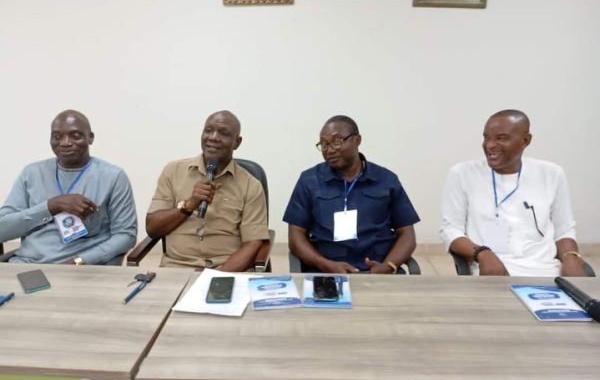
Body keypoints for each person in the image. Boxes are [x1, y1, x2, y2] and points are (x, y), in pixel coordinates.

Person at [440, 109, 586, 277]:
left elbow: (564, 230)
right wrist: (483, 254)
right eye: (486, 137)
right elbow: (450, 230)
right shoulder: (463, 173)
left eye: (501, 138)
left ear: (526, 140)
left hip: (546, 271)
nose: (490, 145)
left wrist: (571, 258)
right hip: (491, 271)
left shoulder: (551, 174)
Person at [283, 115, 420, 274]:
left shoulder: (386, 180)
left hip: (380, 271)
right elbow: (295, 237)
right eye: (324, 144)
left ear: (357, 140)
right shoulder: (309, 181)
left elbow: (407, 234)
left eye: (337, 141)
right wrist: (325, 265)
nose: (330, 150)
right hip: (327, 272)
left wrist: (388, 266)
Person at [0, 109, 137, 264]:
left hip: (83, 270)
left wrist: (80, 261)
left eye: (75, 136)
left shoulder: (113, 176)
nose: (65, 143)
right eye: (57, 136)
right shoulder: (31, 173)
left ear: (90, 138)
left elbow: (126, 235)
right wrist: (51, 206)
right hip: (28, 264)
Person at [145, 110, 269, 270]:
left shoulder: (251, 185)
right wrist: (189, 205)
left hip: (226, 269)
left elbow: (252, 244)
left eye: (223, 133)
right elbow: (153, 228)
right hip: (177, 268)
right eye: (208, 130)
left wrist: (215, 278)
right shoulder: (173, 171)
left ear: (237, 142)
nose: (213, 137)